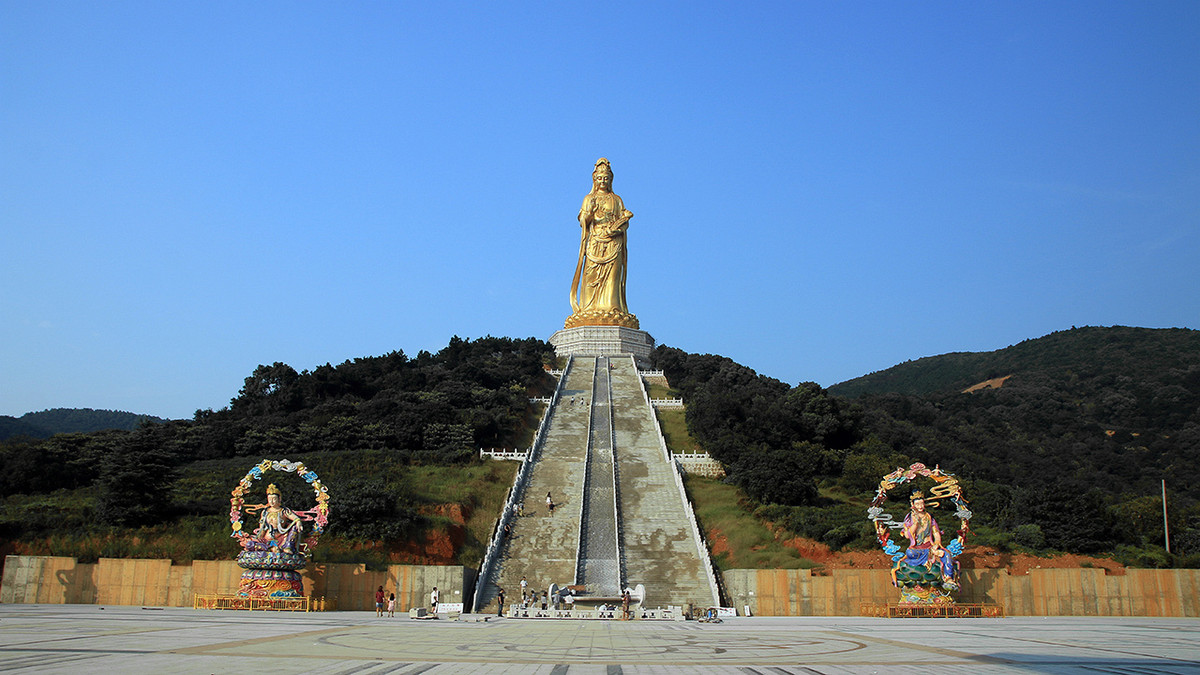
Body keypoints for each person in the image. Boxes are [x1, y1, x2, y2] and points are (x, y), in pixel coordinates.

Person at [567, 158, 638, 329]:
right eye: (599, 178)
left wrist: (620, 227)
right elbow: (583, 221)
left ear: (610, 179)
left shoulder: (616, 199)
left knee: (612, 279)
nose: (602, 181)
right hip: (595, 242)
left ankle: (612, 307)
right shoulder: (589, 198)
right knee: (590, 277)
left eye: (606, 178)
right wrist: (589, 214)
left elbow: (624, 221)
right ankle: (589, 308)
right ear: (594, 179)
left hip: (613, 243)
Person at [894, 490, 957, 587]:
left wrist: (936, 543)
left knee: (947, 554)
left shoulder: (929, 517)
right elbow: (907, 535)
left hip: (929, 545)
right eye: (917, 504)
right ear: (912, 504)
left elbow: (936, 533)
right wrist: (915, 524)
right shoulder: (910, 518)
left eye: (922, 504)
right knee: (909, 553)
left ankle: (948, 578)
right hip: (917, 549)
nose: (920, 506)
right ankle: (929, 557)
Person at [240, 484, 304, 553]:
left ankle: (287, 547)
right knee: (249, 544)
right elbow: (262, 528)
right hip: (267, 539)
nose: (272, 501)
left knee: (295, 526)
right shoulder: (265, 512)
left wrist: (298, 522)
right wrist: (258, 538)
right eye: (269, 499)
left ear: (279, 499)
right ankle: (270, 549)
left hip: (282, 538)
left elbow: (295, 518)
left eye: (274, 499)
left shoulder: (284, 511)